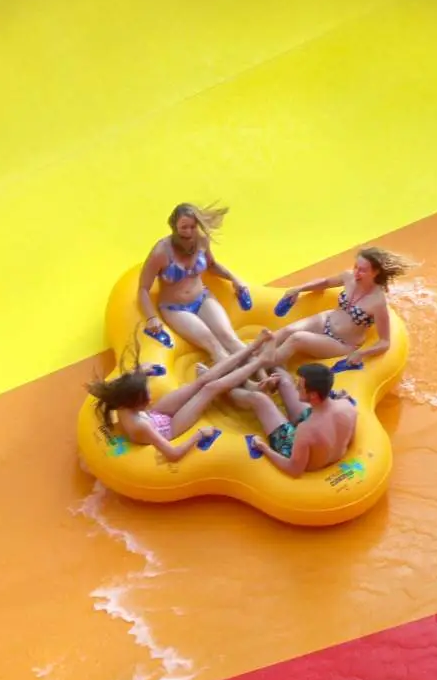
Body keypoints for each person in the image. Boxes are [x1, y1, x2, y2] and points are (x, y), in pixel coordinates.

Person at [87, 333, 271, 462]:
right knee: (209, 388)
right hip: (169, 428)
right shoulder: (140, 425)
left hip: (155, 415)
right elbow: (172, 454)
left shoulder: (120, 400)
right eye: (145, 396)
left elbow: (112, 385)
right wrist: (199, 435)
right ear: (134, 403)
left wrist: (141, 371)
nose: (151, 396)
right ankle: (260, 362)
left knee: (203, 381)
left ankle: (253, 347)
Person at [258, 246, 415, 374]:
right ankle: (252, 353)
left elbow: (385, 342)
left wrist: (361, 353)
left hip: (341, 342)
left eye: (362, 270)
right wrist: (299, 288)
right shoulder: (348, 277)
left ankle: (256, 366)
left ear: (376, 272)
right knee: (287, 330)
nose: (356, 273)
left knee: (297, 338)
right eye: (356, 267)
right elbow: (325, 282)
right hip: (326, 320)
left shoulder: (377, 302)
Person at [136, 203, 253, 365]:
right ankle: (247, 386)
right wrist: (151, 318)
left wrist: (235, 279)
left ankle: (265, 376)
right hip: (176, 309)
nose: (189, 232)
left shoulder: (202, 241)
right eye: (184, 228)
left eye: (193, 227)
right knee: (215, 346)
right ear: (174, 226)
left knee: (230, 338)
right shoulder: (161, 252)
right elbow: (143, 289)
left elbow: (211, 265)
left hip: (202, 298)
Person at [242, 363, 358, 476]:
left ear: (313, 395)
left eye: (300, 386)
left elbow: (294, 470)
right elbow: (349, 440)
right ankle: (255, 370)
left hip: (299, 454)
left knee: (259, 398)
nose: (297, 387)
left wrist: (263, 447)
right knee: (284, 381)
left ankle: (231, 385)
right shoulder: (347, 406)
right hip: (317, 438)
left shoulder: (305, 430)